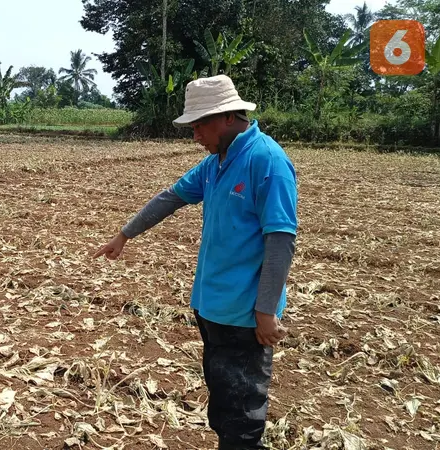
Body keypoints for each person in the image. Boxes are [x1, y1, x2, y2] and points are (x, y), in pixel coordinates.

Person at [93, 74, 298, 450]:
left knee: (243, 413)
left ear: (226, 118)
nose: (195, 134)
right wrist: (124, 234)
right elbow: (170, 197)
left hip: (245, 314)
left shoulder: (266, 161)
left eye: (199, 124)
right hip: (211, 306)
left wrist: (266, 311)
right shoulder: (216, 163)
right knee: (223, 401)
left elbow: (280, 240)